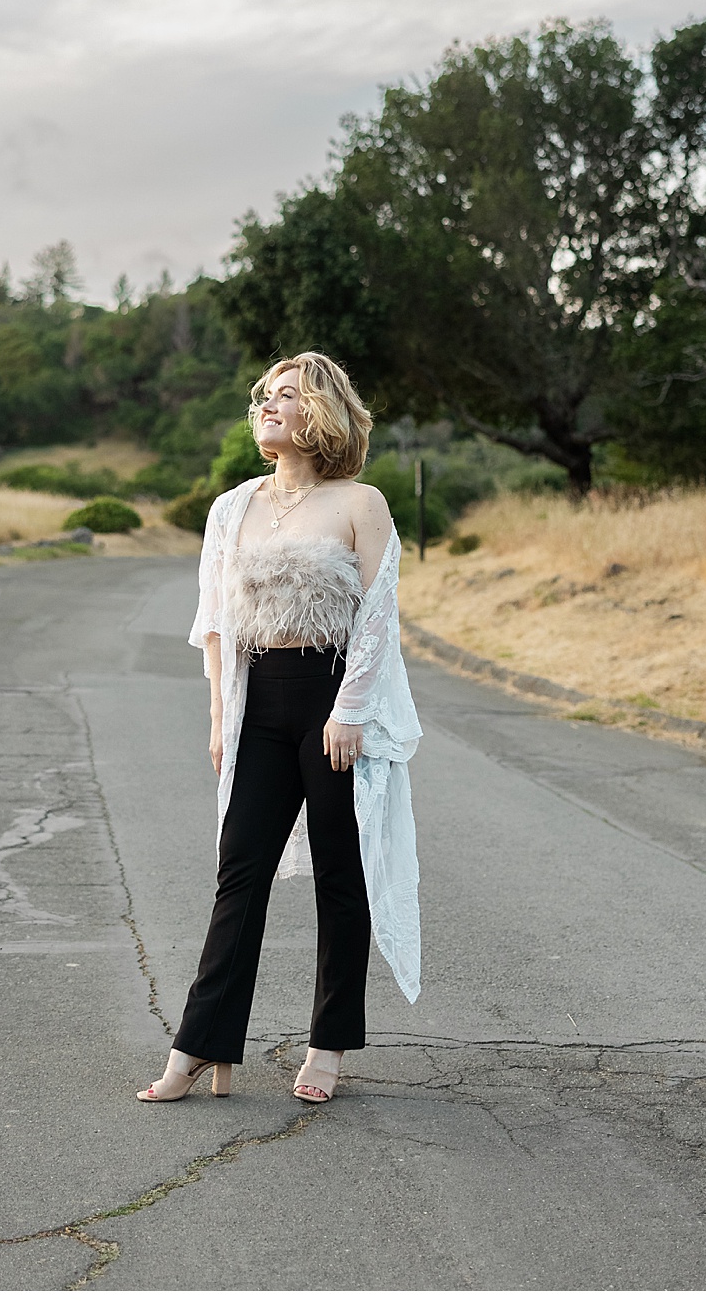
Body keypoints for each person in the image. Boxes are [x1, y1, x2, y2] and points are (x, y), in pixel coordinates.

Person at [138, 351, 422, 1105]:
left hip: (331, 698)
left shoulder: (361, 503)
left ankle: (327, 1046)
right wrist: (218, 718)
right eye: (265, 394)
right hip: (256, 696)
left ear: (320, 412)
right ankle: (201, 1045)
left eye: (287, 395)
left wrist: (352, 710)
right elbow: (215, 620)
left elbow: (378, 616)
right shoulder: (233, 506)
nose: (268, 404)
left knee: (340, 874)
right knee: (240, 874)